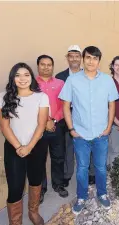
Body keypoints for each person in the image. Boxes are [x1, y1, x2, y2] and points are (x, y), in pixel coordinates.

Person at [59, 46, 118, 214]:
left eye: (95, 58)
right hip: (80, 134)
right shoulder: (73, 80)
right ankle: (81, 197)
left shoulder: (107, 80)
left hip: (101, 133)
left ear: (99, 61)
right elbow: (66, 106)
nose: (91, 61)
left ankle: (103, 194)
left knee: (100, 167)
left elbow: (112, 104)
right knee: (82, 168)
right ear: (83, 59)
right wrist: (71, 129)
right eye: (88, 57)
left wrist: (108, 127)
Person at [0, 63, 49, 225]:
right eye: (18, 75)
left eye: (26, 74)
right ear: (13, 78)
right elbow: (4, 126)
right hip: (14, 149)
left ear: (31, 77)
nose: (22, 78)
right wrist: (19, 147)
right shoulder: (2, 97)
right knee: (15, 187)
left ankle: (33, 213)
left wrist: (29, 147)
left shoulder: (41, 97)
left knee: (35, 180)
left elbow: (41, 125)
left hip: (36, 146)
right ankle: (15, 221)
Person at [55, 45, 95, 187]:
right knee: (68, 147)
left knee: (88, 144)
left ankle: (91, 173)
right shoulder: (60, 77)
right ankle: (67, 174)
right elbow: (58, 101)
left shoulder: (89, 75)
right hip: (67, 116)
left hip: (84, 116)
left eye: (77, 56)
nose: (74, 59)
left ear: (81, 58)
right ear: (67, 58)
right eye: (71, 56)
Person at [36, 55, 68, 203]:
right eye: (43, 64)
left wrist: (53, 120)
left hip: (57, 125)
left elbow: (64, 106)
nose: (46, 67)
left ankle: (58, 184)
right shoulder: (32, 83)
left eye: (49, 65)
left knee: (58, 157)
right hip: (38, 128)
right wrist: (45, 122)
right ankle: (40, 189)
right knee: (39, 159)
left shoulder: (61, 83)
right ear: (38, 66)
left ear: (53, 67)